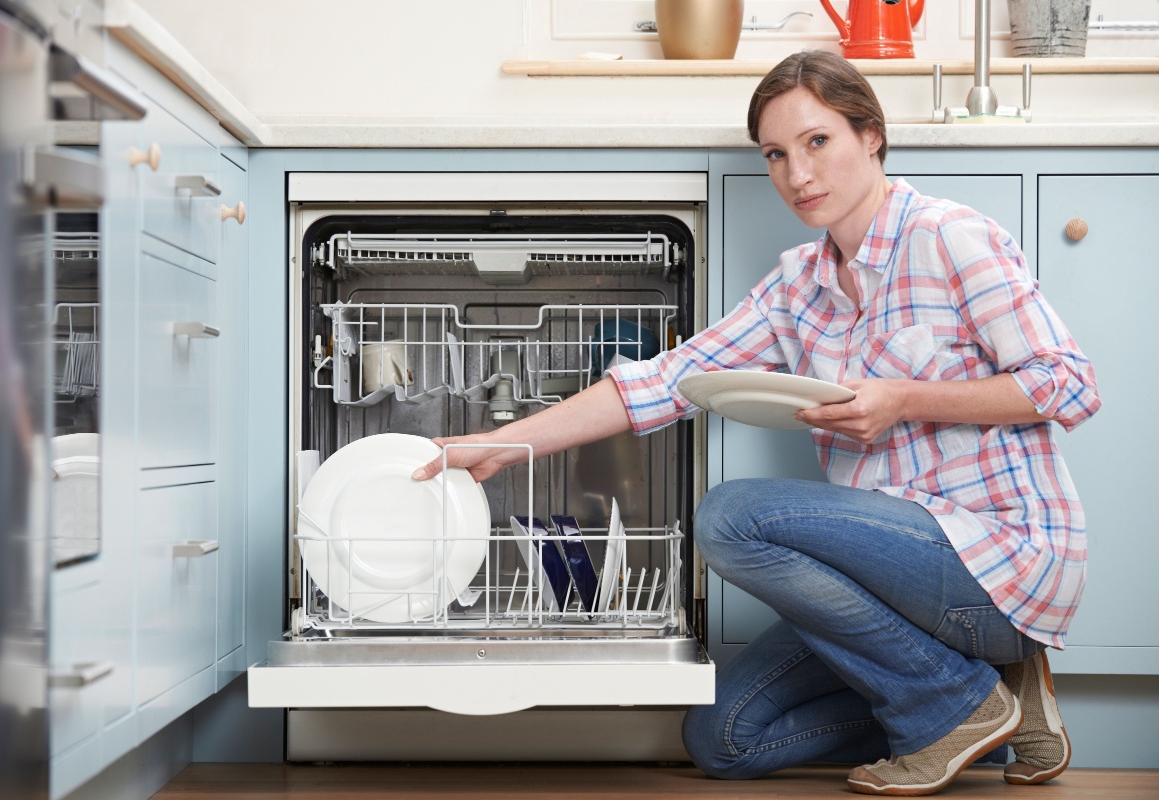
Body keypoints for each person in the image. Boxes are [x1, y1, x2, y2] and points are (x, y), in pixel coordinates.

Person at [413, 50, 1097, 796]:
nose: (797, 174)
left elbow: (1068, 384)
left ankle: (952, 701)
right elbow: (669, 381)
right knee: (724, 740)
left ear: (870, 135)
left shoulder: (950, 238)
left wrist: (904, 398)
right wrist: (499, 444)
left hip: (997, 565)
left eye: (817, 142)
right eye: (776, 154)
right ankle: (990, 706)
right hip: (895, 581)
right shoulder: (797, 285)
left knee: (732, 518)